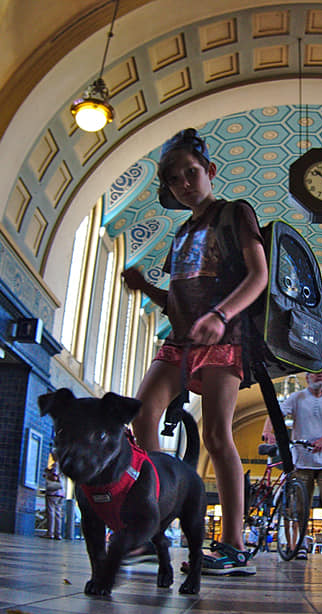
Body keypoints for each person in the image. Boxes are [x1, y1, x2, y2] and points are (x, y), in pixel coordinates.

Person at [121, 128, 268, 575]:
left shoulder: (234, 213)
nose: (186, 183)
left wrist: (221, 316)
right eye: (176, 180)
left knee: (217, 436)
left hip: (225, 335)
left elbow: (258, 275)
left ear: (210, 172)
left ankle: (234, 544)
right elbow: (178, 303)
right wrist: (147, 287)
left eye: (192, 173)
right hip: (181, 339)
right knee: (143, 414)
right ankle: (152, 528)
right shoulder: (181, 235)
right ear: (168, 189)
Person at [262, 371, 322, 559]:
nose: (319, 376)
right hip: (303, 459)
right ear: (307, 379)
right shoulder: (297, 398)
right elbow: (276, 413)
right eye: (315, 374)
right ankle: (301, 542)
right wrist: (268, 431)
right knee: (301, 501)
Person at [43, 456, 65, 540]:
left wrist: (47, 475)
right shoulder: (64, 466)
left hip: (53, 492)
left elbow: (54, 477)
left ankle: (50, 533)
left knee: (51, 512)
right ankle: (58, 533)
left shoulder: (56, 465)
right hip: (62, 493)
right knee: (58, 513)